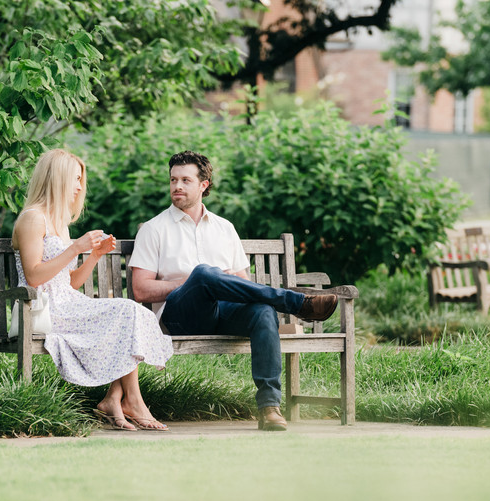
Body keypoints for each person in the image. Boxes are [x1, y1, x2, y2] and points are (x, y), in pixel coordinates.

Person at [128, 151, 337, 431]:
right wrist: (192, 282)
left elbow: (243, 284)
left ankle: (269, 407)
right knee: (203, 273)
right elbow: (140, 290)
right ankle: (297, 303)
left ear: (204, 184)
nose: (177, 186)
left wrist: (216, 281)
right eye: (173, 180)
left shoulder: (224, 229)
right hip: (178, 317)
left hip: (223, 312)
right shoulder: (154, 229)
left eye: (186, 180)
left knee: (262, 310)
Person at [12, 149, 173, 431]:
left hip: (67, 302)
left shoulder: (58, 222)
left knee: (128, 311)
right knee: (125, 311)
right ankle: (130, 401)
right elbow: (34, 278)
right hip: (43, 309)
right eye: (74, 179)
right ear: (57, 178)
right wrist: (75, 247)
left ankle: (116, 398)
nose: (78, 186)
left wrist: (94, 255)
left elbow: (69, 282)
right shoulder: (32, 219)